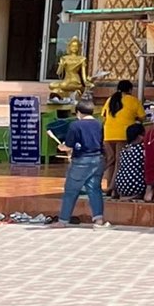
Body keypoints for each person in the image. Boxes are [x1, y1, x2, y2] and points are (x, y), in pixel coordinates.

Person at [52, 99, 108, 227]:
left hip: (81, 161)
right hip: (97, 160)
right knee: (94, 189)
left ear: (78, 112)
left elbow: (69, 144)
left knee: (71, 190)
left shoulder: (75, 125)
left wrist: (62, 147)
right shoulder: (99, 124)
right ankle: (98, 219)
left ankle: (63, 221)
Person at [100, 80, 144, 194]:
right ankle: (114, 188)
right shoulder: (133, 100)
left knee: (111, 162)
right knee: (119, 163)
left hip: (108, 134)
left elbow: (104, 117)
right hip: (123, 135)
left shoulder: (110, 99)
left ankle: (108, 185)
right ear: (130, 89)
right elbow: (142, 117)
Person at [112, 123, 147, 200]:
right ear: (139, 136)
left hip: (120, 185)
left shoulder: (124, 150)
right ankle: (137, 195)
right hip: (135, 185)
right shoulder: (142, 149)